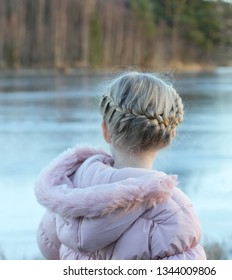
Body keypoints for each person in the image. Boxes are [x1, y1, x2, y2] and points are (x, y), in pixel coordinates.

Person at [34, 71, 206, 260]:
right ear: (169, 136)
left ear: (106, 130)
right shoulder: (173, 215)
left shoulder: (68, 191)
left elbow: (49, 247)